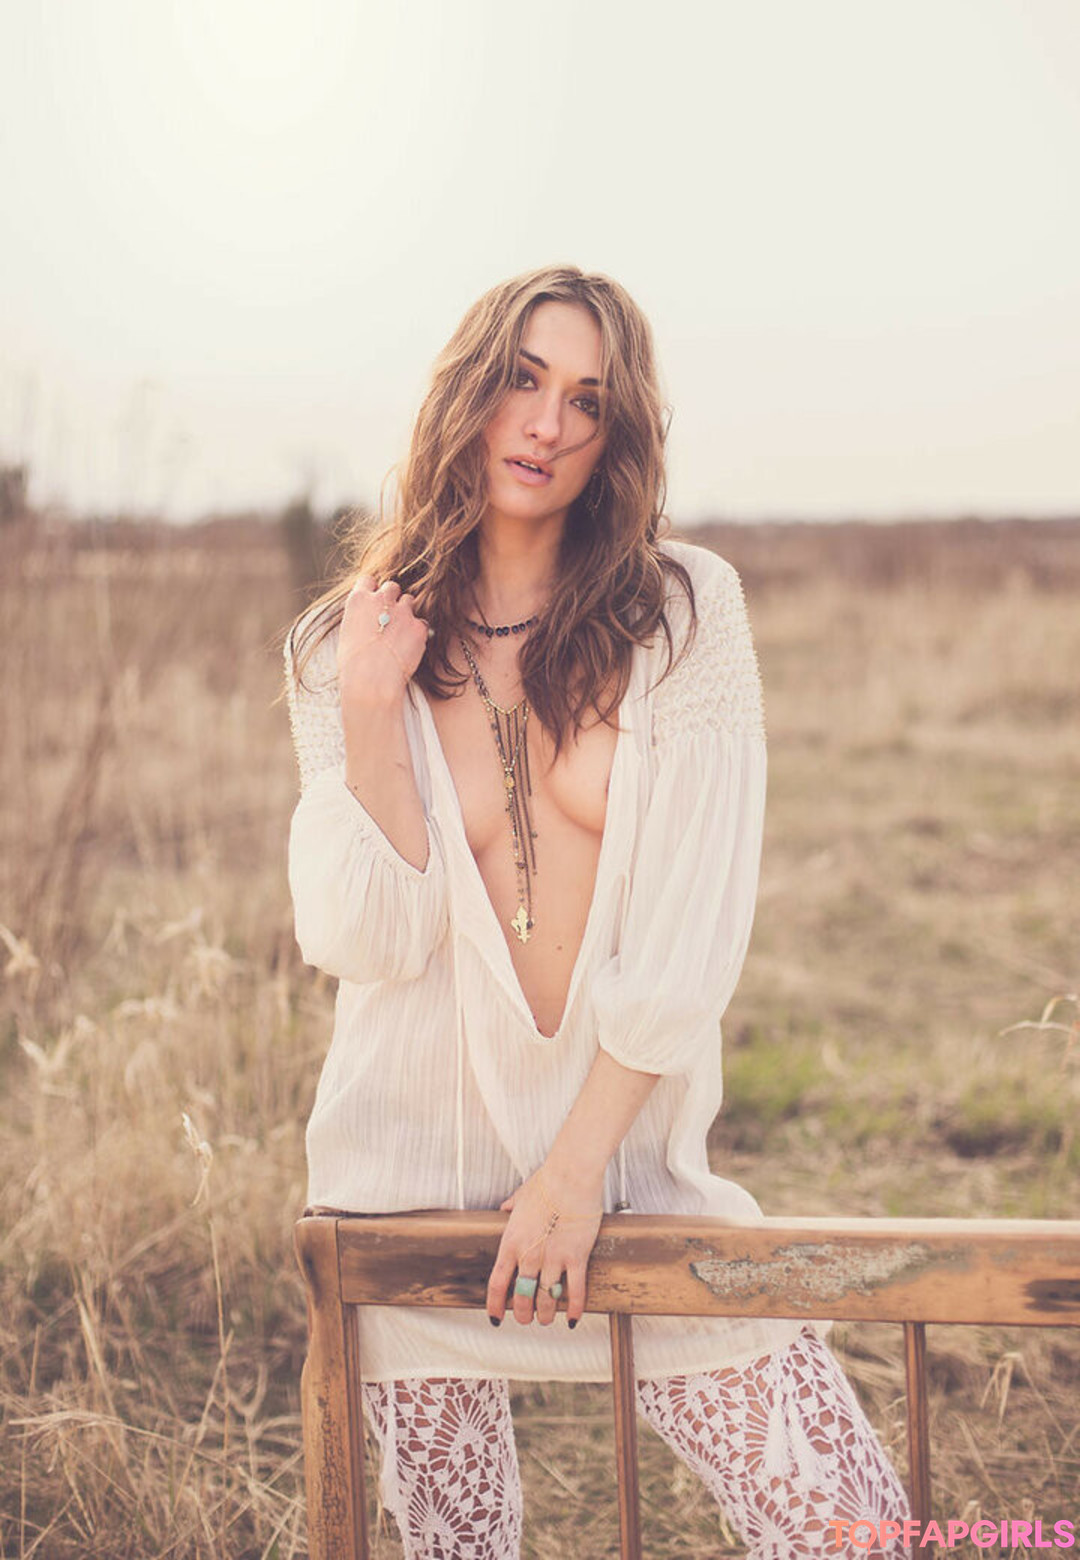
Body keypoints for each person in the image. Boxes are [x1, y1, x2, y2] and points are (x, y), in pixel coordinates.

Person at [285, 265, 909, 1558]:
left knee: (857, 1530)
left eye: (588, 399)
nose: (547, 423)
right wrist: (370, 711)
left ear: (618, 434)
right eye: (522, 380)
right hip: (405, 1183)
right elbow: (369, 940)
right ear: (467, 393)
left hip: (627, 1174)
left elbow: (691, 935)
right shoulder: (347, 644)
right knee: (459, 1549)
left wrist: (573, 1178)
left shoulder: (680, 613)